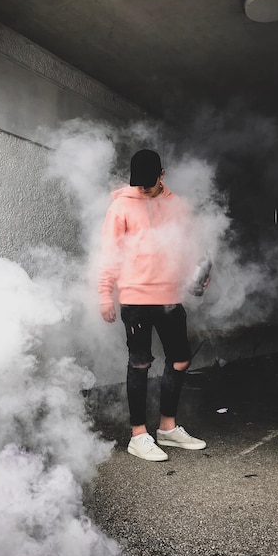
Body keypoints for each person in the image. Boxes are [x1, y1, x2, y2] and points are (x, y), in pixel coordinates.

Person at [98, 148, 209, 461]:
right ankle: (138, 435)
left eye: (150, 181)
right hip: (135, 298)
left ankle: (167, 428)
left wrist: (198, 270)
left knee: (180, 360)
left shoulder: (178, 206)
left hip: (171, 297)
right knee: (140, 362)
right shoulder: (121, 206)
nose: (143, 187)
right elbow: (110, 253)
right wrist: (105, 293)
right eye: (139, 182)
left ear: (162, 175)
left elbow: (190, 246)